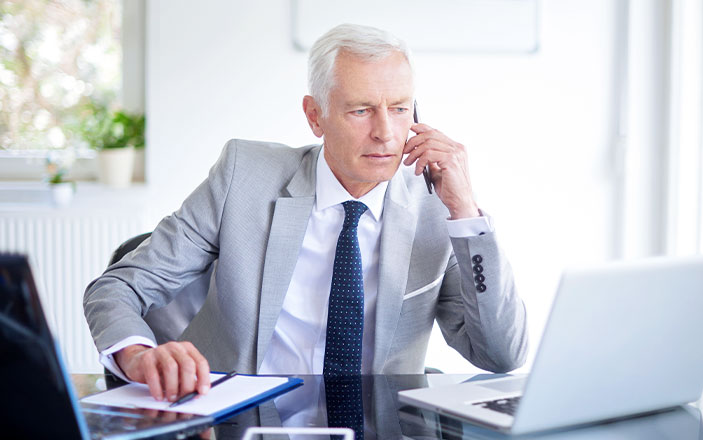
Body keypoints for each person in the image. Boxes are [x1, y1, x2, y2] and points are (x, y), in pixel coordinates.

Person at [83, 24, 527, 404]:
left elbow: (502, 354)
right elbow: (117, 287)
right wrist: (138, 355)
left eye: (399, 108)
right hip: (239, 417)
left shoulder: (436, 206)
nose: (386, 133)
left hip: (375, 423)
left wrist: (466, 214)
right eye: (361, 110)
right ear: (315, 116)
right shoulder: (244, 177)